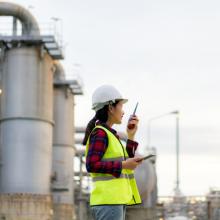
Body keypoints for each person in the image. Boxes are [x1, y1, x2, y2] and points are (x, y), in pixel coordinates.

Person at [83, 85, 143, 220]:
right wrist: (124, 165)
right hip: (109, 201)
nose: (123, 111)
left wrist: (131, 135)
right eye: (121, 106)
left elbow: (125, 159)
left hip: (113, 201)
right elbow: (91, 165)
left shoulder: (109, 134)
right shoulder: (100, 133)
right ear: (110, 108)